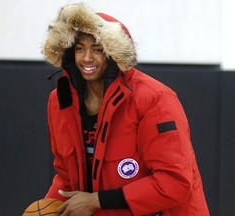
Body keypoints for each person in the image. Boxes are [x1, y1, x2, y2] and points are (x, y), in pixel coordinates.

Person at [42, 3, 210, 216]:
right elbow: (67, 176)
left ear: (112, 54)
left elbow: (174, 182)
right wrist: (49, 209)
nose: (87, 58)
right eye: (79, 48)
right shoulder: (60, 101)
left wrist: (96, 201)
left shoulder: (154, 99)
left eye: (97, 50)